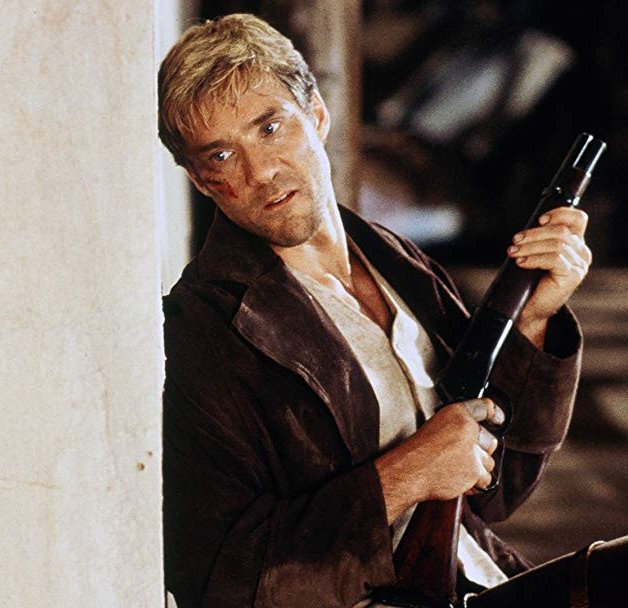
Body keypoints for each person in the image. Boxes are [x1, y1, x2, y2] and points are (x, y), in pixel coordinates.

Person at [159, 13, 627, 608]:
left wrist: (534, 319)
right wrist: (403, 477)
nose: (261, 171)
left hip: (479, 580)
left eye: (270, 127)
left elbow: (495, 491)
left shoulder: (394, 260)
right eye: (223, 155)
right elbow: (219, 583)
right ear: (201, 181)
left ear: (317, 115)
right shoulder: (203, 330)